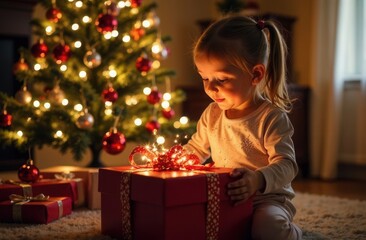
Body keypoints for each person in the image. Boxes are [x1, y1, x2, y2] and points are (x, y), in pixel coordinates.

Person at [184, 15, 302, 240]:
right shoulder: (212, 113)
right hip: (224, 197)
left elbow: (287, 165)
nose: (211, 88)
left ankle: (294, 233)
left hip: (265, 200)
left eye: (222, 79)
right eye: (205, 78)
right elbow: (196, 149)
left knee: (267, 228)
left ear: (255, 74)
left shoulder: (271, 116)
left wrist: (257, 180)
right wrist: (174, 162)